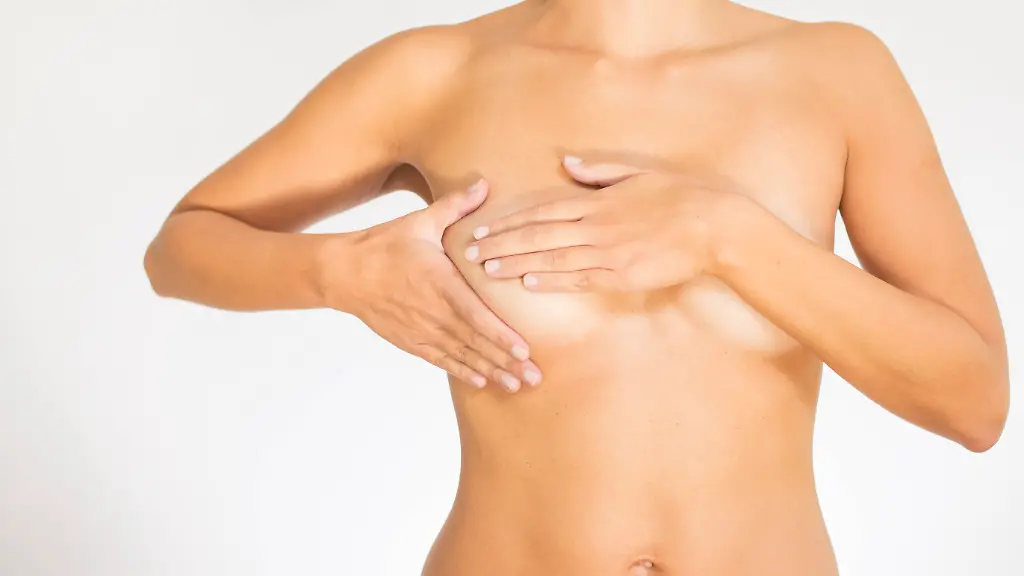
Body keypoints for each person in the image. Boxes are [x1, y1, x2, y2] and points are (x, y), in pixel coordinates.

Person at [143, 1, 1010, 574]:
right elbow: (180, 247)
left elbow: (973, 402)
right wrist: (343, 272)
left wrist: (728, 238)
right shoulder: (433, 71)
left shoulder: (838, 72)